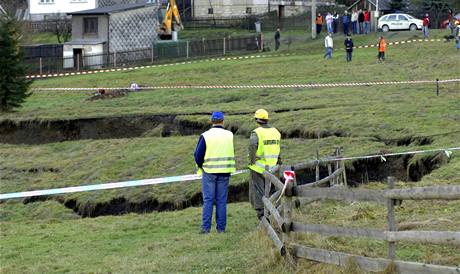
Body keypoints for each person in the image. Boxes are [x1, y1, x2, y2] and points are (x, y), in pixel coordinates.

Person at [194, 111, 236, 234]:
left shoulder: (205, 135)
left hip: (209, 171)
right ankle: (221, 229)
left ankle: (206, 229)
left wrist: (202, 166)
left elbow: (198, 155)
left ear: (212, 121)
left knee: (208, 200)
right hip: (225, 171)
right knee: (221, 201)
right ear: (223, 121)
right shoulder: (229, 135)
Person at [248, 109, 281, 220]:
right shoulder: (276, 131)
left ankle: (262, 215)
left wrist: (252, 161)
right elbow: (278, 147)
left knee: (259, 192)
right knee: (272, 191)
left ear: (257, 120)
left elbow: (253, 145)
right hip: (273, 167)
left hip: (258, 167)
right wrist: (279, 160)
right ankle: (274, 211)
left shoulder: (256, 132)